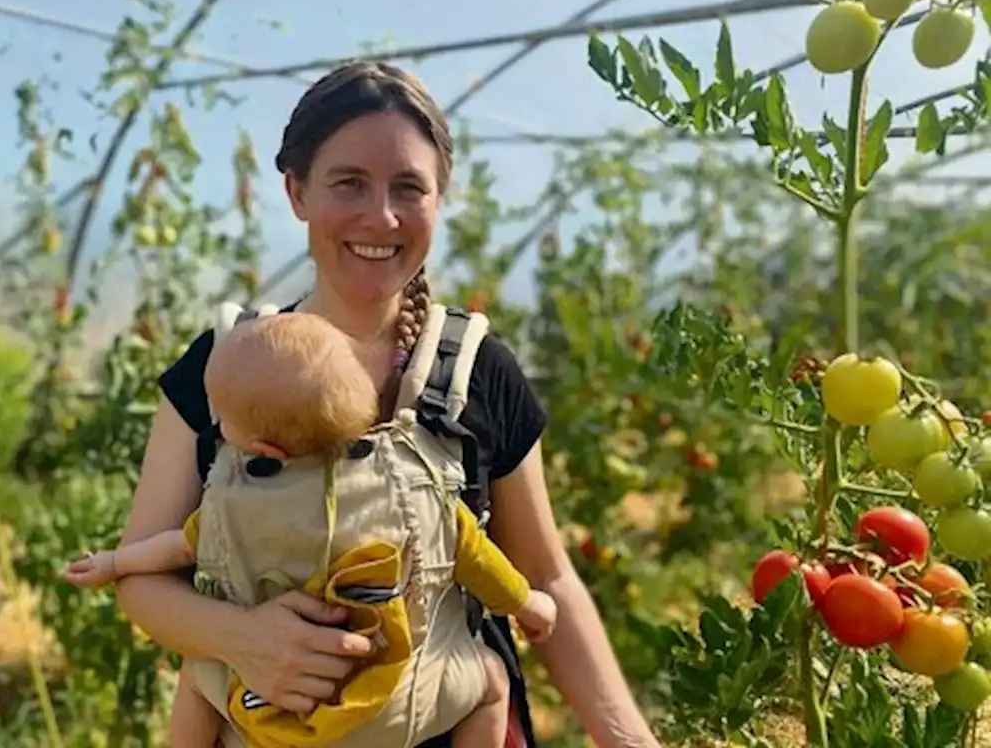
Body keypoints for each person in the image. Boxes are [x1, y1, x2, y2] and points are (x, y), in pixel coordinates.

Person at [111, 60, 661, 748]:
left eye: (409, 187)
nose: (383, 216)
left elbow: (545, 575)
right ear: (296, 191)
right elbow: (141, 575)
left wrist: (630, 740)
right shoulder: (225, 364)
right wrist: (242, 637)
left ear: (439, 199)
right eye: (349, 183)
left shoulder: (475, 369)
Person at [64, 308, 559, 746]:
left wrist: (114, 562)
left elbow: (173, 549)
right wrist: (527, 605)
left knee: (197, 677)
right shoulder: (412, 491)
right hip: (395, 712)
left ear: (265, 450)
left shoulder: (229, 510)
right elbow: (479, 562)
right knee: (492, 683)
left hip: (273, 713)